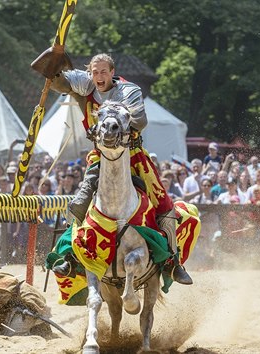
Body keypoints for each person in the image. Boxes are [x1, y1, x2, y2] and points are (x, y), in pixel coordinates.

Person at [48, 53, 192, 284]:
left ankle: (172, 263)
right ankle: (71, 256)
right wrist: (53, 60)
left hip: (132, 156)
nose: (99, 76)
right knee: (79, 203)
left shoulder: (128, 91)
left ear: (112, 72)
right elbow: (55, 80)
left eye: (103, 71)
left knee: (163, 203)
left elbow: (140, 120)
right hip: (100, 157)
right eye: (95, 72)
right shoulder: (84, 87)